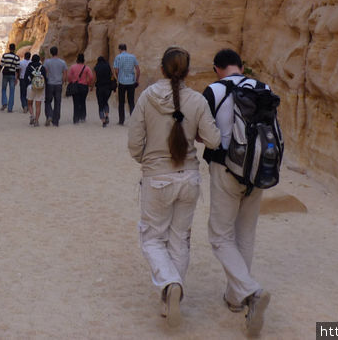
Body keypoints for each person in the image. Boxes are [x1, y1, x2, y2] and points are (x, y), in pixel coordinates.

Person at [127, 47, 221, 328]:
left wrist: (146, 160)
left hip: (157, 178)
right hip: (189, 178)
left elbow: (134, 143)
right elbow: (214, 140)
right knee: (180, 238)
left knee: (153, 238)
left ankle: (169, 283)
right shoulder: (197, 101)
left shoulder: (146, 98)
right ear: (188, 71)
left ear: (162, 68)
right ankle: (172, 296)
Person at [202, 48, 271, 337]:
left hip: (226, 168)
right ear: (241, 66)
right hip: (259, 171)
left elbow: (202, 131)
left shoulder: (214, 90)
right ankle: (234, 298)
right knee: (245, 234)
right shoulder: (263, 87)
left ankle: (250, 291)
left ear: (217, 68)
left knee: (219, 235)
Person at [113, 43, 140, 125]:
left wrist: (118, 78)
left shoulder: (118, 57)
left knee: (121, 102)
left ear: (120, 49)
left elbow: (116, 70)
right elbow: (138, 70)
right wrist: (137, 80)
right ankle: (133, 120)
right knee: (131, 101)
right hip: (131, 82)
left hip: (122, 82)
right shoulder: (133, 57)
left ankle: (121, 121)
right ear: (126, 48)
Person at [42, 46, 67, 127]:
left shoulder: (47, 62)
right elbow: (65, 74)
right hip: (58, 84)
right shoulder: (62, 62)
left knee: (48, 101)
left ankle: (49, 115)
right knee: (57, 102)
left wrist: (45, 82)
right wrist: (62, 82)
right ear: (57, 52)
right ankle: (56, 121)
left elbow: (45, 73)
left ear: (50, 53)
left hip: (49, 84)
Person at [66, 53, 95, 124]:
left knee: (76, 103)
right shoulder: (86, 67)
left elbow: (69, 77)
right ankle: (82, 117)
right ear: (83, 59)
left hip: (75, 86)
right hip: (84, 87)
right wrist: (87, 83)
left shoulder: (73, 67)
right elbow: (91, 77)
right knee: (83, 102)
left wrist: (71, 82)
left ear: (77, 59)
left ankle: (76, 119)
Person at [0, 43, 20, 112]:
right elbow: (17, 69)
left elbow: (1, 66)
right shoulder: (17, 57)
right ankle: (10, 108)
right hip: (12, 75)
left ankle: (4, 103)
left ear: (9, 48)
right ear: (14, 49)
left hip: (5, 74)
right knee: (12, 91)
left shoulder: (5, 55)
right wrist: (16, 78)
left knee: (3, 89)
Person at [25, 54, 47, 126]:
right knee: (38, 105)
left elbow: (25, 77)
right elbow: (45, 78)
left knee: (29, 103)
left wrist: (26, 85)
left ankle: (32, 115)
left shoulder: (29, 67)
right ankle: (37, 121)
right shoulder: (42, 67)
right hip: (40, 87)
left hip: (31, 86)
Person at [93, 55, 114, 127]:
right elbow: (112, 75)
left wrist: (91, 86)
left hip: (100, 88)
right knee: (105, 102)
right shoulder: (108, 66)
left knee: (100, 104)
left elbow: (94, 78)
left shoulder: (96, 67)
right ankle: (107, 115)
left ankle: (103, 120)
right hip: (108, 87)